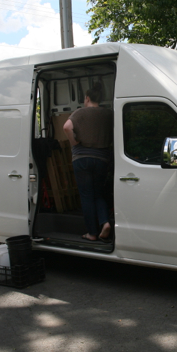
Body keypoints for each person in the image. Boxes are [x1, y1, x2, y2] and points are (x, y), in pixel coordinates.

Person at [63, 81, 113, 242]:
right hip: (101, 159)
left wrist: (74, 142)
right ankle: (105, 222)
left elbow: (66, 127)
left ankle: (92, 232)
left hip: (82, 159)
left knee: (86, 196)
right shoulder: (108, 114)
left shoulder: (80, 113)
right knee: (98, 193)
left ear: (87, 98)